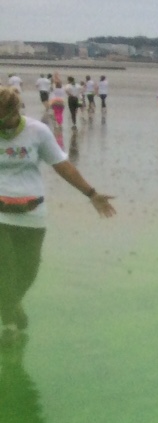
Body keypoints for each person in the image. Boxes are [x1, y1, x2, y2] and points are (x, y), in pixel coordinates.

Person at [0, 87, 117, 341]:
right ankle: (8, 323)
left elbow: (62, 166)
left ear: (15, 111)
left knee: (27, 272)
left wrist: (91, 193)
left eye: (3, 119)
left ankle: (11, 305)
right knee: (4, 269)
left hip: (32, 214)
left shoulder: (37, 132)